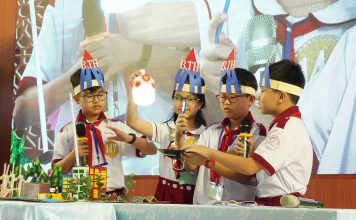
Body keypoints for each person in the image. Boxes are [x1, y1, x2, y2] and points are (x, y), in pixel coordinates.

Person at [183, 60, 313, 206]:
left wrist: (209, 154)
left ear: (281, 97)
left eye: (263, 91)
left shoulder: (283, 129)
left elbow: (249, 167)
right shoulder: (285, 125)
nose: (259, 96)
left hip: (278, 204)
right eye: (222, 97)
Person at [52, 51, 156, 198]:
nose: (96, 100)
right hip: (80, 198)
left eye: (100, 94)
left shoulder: (118, 127)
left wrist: (129, 138)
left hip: (114, 197)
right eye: (89, 95)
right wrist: (74, 155)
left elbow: (151, 150)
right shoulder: (68, 131)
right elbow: (55, 172)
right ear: (76, 98)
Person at [181, 50, 266, 204]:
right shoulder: (211, 132)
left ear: (251, 99)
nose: (226, 103)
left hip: (237, 208)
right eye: (222, 97)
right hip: (204, 206)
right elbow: (192, 166)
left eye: (232, 98)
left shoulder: (256, 132)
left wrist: (208, 159)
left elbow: (246, 175)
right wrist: (181, 141)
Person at [125, 49, 206, 204]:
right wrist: (133, 91)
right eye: (178, 98)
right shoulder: (165, 128)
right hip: (163, 192)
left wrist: (181, 140)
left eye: (190, 98)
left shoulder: (206, 135)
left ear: (200, 103)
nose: (183, 103)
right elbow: (132, 121)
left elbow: (193, 168)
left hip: (191, 196)